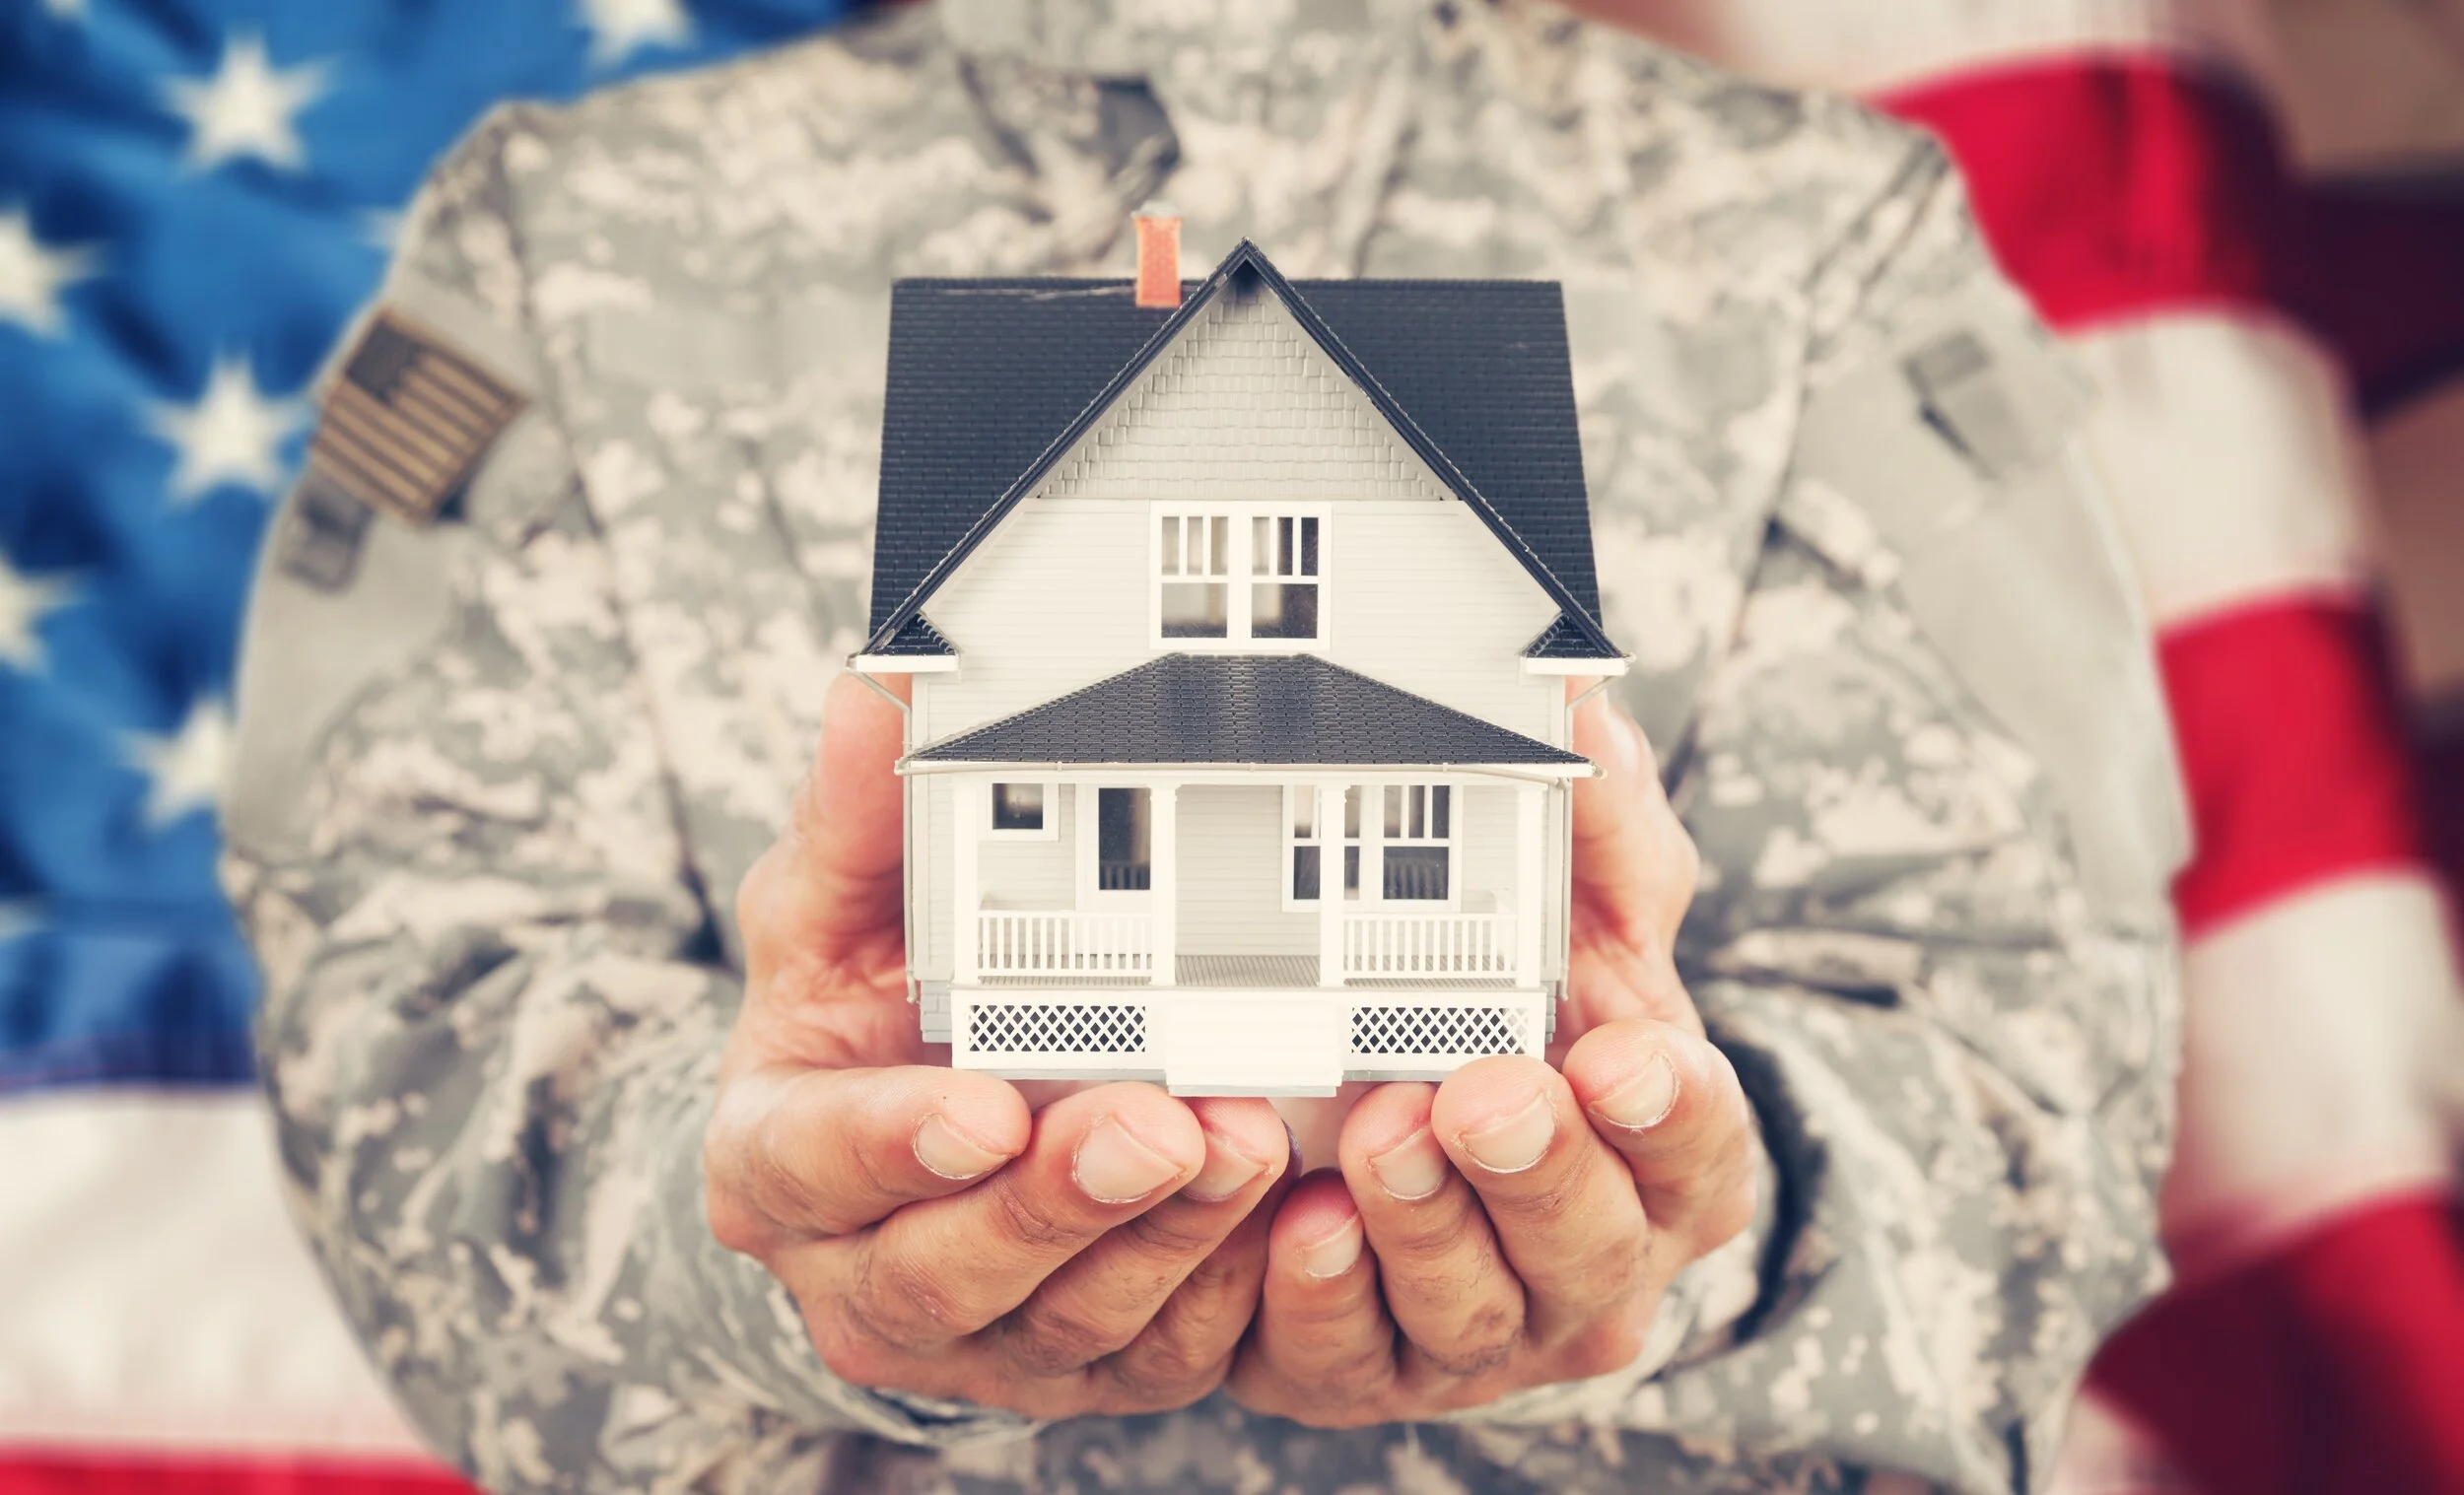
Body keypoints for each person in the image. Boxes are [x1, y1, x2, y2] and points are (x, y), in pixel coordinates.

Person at [221, 2, 2191, 1490]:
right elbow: (399, 1023)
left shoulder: (1814, 242)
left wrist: (1696, 1219)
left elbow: (2040, 1077)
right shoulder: (570, 247)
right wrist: (757, 1226)